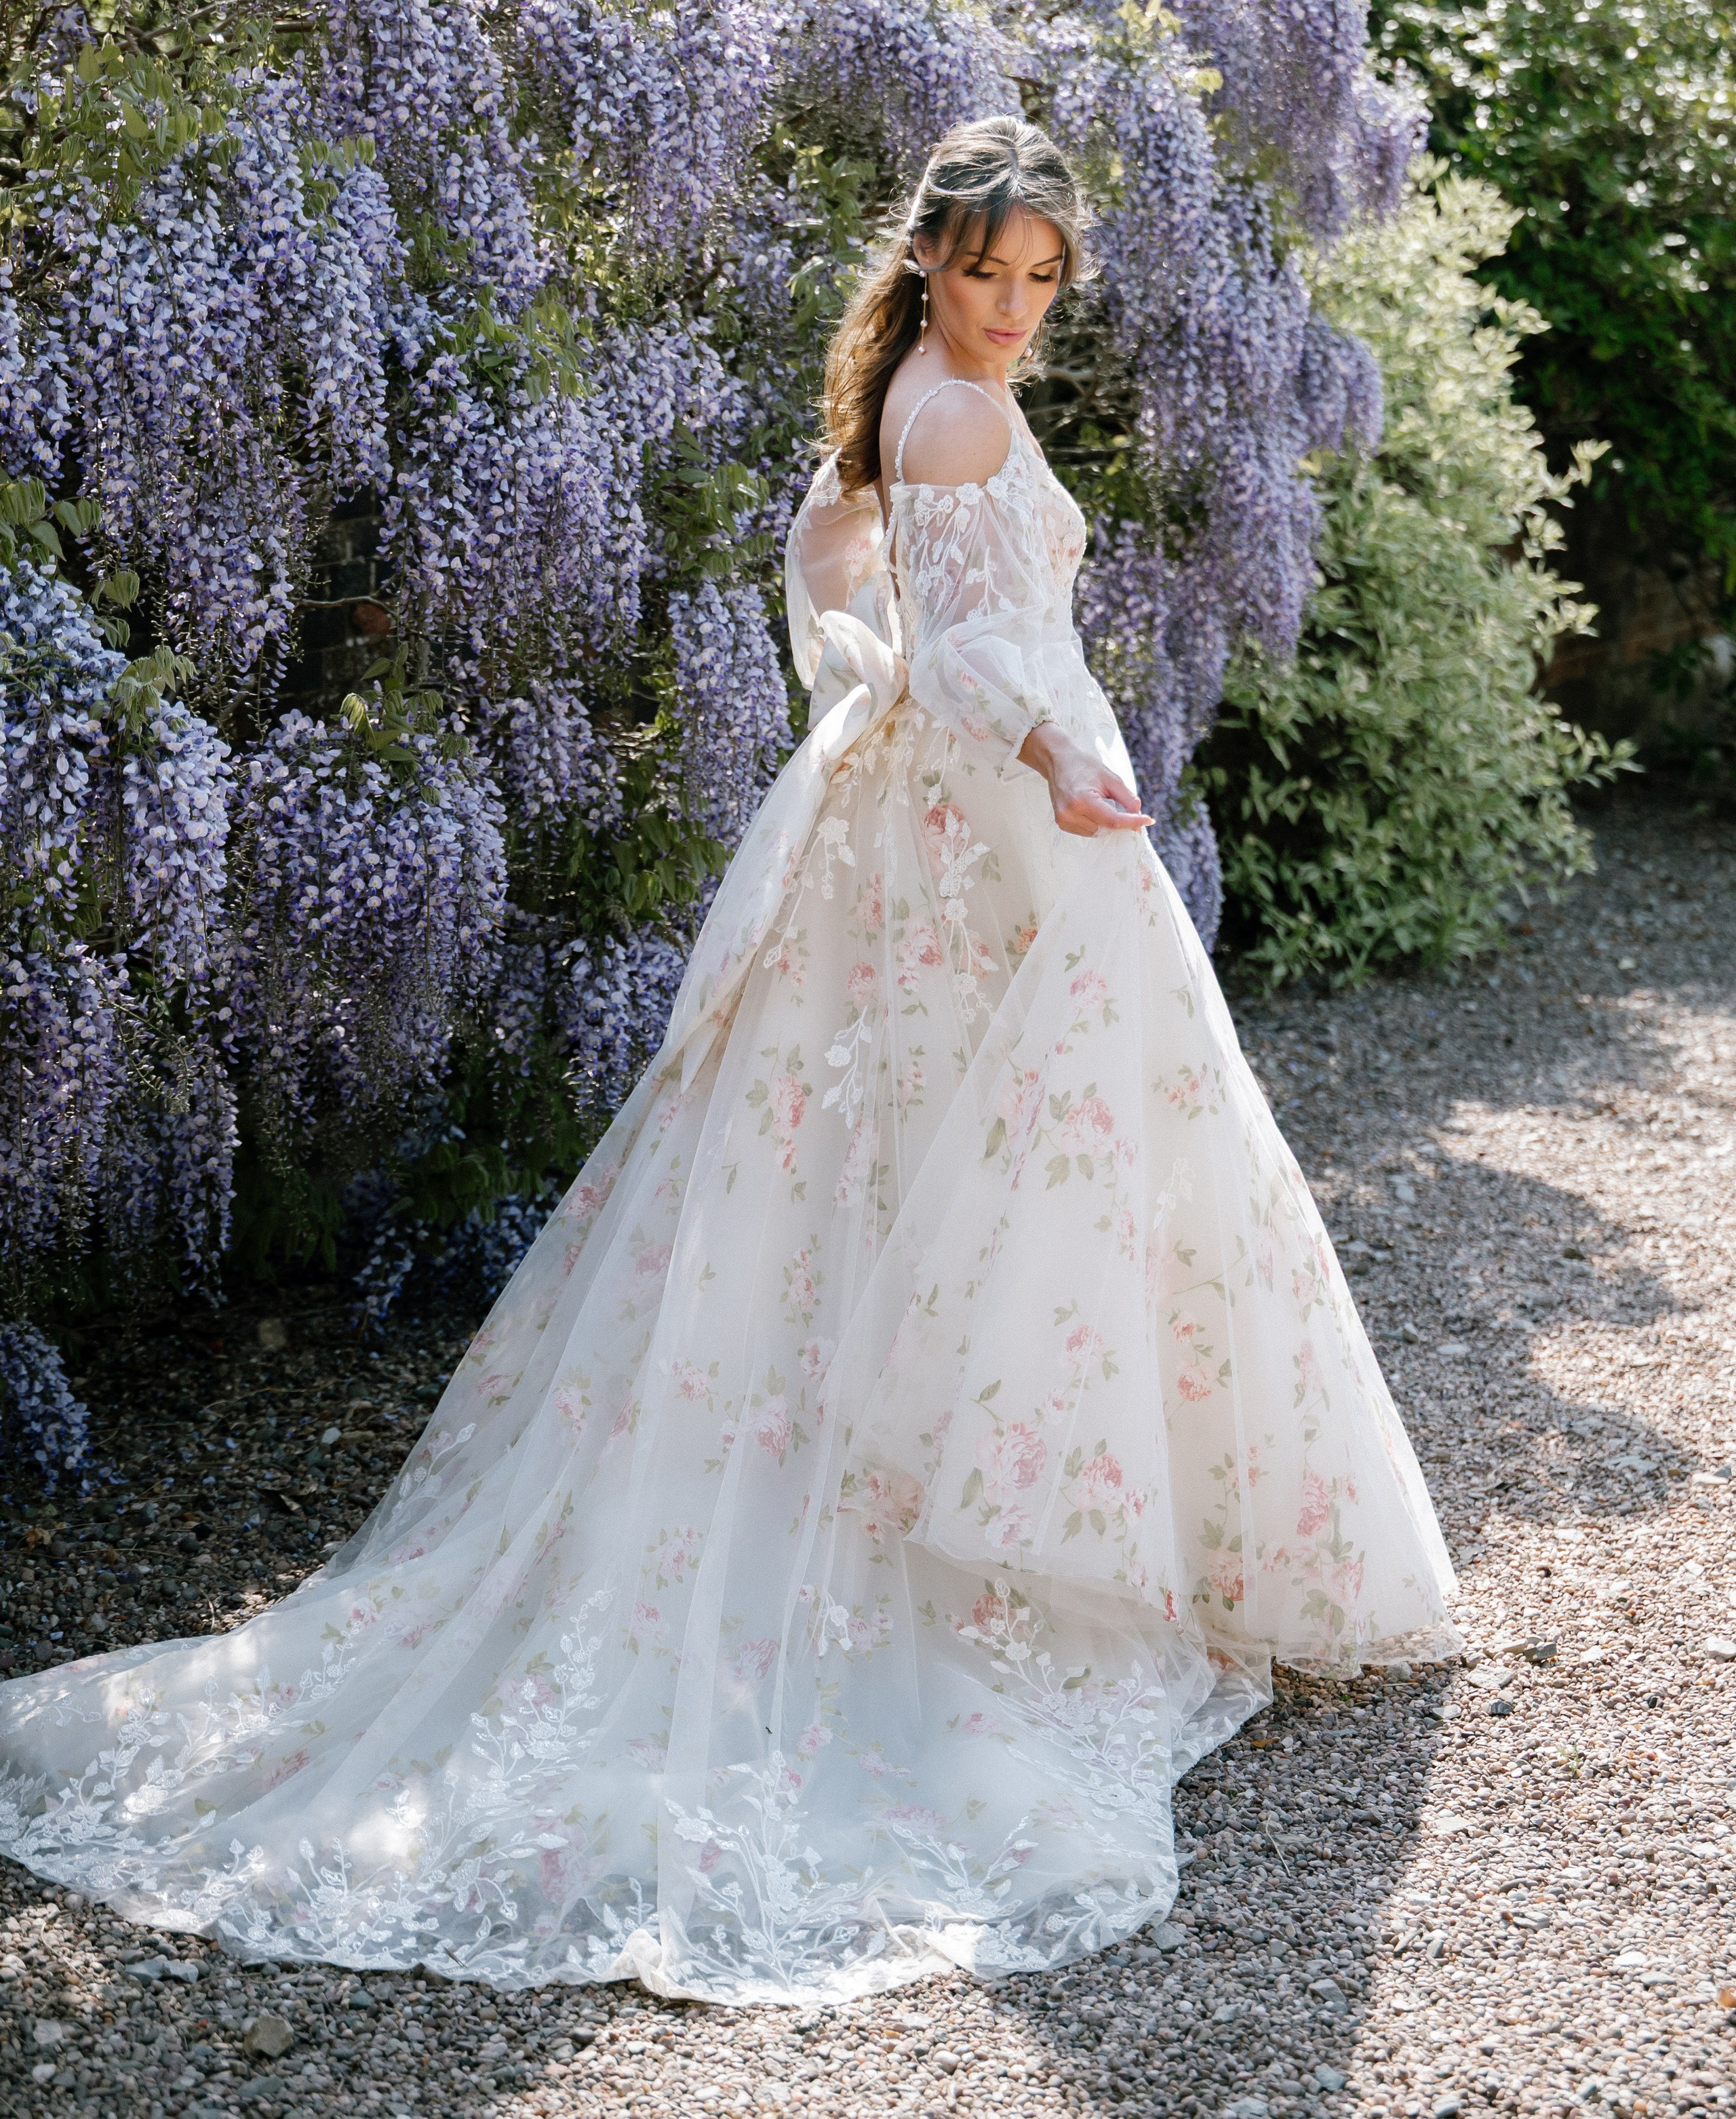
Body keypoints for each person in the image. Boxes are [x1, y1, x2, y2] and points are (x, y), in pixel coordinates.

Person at [0, 116, 1457, 2006]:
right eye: (988, 272)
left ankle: (957, 1501)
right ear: (930, 257)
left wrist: (946, 705)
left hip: (922, 824)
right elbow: (971, 660)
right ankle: (989, 1556)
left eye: (1040, 283)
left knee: (901, 1174)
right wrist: (1060, 765)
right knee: (1012, 1167)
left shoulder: (897, 404)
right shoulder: (958, 415)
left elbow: (842, 591)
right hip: (996, 822)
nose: (1014, 311)